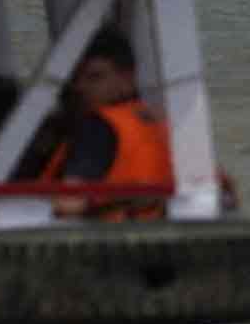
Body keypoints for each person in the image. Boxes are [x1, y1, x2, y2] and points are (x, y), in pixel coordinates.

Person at [55, 32, 175, 213]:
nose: (80, 87)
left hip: (109, 228)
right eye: (75, 78)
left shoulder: (97, 127)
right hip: (155, 225)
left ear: (127, 79)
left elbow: (70, 203)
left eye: (94, 77)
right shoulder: (158, 121)